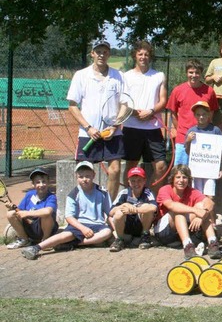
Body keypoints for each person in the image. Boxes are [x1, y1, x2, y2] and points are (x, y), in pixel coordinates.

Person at [67, 39, 125, 200]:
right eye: (98, 51)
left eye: (105, 52)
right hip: (88, 134)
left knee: (115, 170)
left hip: (112, 133)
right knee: (84, 173)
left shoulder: (119, 76)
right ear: (92, 53)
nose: (101, 54)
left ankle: (109, 207)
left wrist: (114, 126)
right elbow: (72, 105)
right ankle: (85, 208)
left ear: (109, 54)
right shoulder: (81, 75)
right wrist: (88, 127)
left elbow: (125, 105)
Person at [22, 162, 112, 260]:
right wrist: (83, 229)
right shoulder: (73, 194)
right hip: (78, 224)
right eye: (81, 176)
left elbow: (110, 213)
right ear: (76, 177)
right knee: (64, 235)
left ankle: (74, 243)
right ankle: (36, 248)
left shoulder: (103, 192)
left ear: (94, 175)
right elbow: (69, 217)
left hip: (98, 224)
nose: (84, 179)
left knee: (107, 232)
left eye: (87, 176)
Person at [122, 40, 168, 195]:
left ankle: (150, 198)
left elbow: (163, 100)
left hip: (153, 128)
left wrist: (150, 111)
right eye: (140, 54)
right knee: (131, 165)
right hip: (131, 127)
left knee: (161, 166)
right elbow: (122, 102)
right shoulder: (125, 76)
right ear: (135, 55)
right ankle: (129, 197)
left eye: (146, 54)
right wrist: (135, 113)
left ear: (150, 57)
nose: (143, 57)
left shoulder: (159, 75)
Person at [155, 165, 220, 259]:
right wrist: (195, 211)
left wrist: (201, 216)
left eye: (184, 177)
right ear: (172, 179)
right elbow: (171, 205)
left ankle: (213, 243)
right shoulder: (164, 189)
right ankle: (187, 246)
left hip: (181, 232)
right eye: (178, 177)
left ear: (189, 179)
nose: (181, 180)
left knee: (203, 207)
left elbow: (210, 203)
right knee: (178, 212)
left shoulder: (192, 191)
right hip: (164, 232)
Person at [167, 58, 219, 166]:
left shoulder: (209, 91)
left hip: (204, 138)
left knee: (200, 171)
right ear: (186, 73)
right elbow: (173, 113)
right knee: (181, 172)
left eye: (197, 73)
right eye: (191, 72)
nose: (194, 75)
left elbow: (212, 112)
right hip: (183, 138)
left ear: (201, 74)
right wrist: (181, 130)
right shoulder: (178, 90)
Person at [6, 168, 58, 250]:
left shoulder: (51, 197)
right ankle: (25, 240)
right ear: (33, 184)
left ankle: (45, 241)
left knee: (46, 215)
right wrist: (12, 208)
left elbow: (48, 211)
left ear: (48, 182)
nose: (41, 185)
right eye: (38, 182)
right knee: (10, 214)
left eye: (44, 181)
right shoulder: (29, 194)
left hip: (44, 228)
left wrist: (27, 213)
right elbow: (19, 210)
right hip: (29, 228)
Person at [108, 167, 157, 252]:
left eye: (139, 180)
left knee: (147, 208)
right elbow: (111, 212)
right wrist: (123, 205)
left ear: (144, 181)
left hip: (140, 224)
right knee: (119, 212)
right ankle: (119, 239)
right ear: (129, 182)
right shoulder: (124, 193)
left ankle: (145, 236)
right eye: (133, 181)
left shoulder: (147, 192)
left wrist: (135, 209)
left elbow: (154, 207)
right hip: (126, 226)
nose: (136, 183)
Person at [184, 101, 222, 201]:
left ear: (209, 114)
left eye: (204, 114)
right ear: (194, 116)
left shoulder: (215, 130)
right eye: (198, 114)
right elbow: (188, 152)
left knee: (209, 195)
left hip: (210, 168)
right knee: (197, 194)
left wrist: (220, 168)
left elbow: (220, 152)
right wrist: (188, 141)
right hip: (196, 169)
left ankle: (210, 216)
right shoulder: (191, 131)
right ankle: (198, 214)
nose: (201, 117)